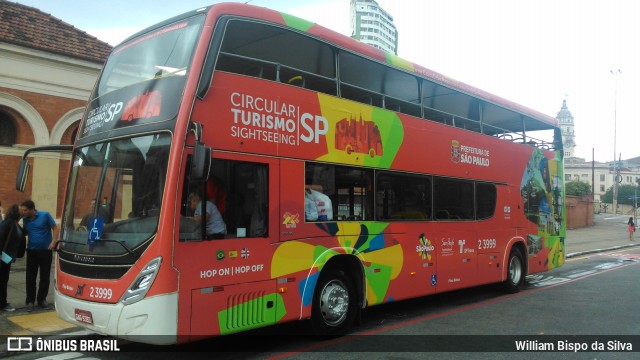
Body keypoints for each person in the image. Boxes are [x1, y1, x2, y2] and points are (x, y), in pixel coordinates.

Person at [20, 200, 57, 311]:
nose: (23, 212)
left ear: (32, 209)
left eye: (25, 210)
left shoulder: (45, 215)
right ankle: (30, 301)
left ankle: (42, 300)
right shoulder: (25, 219)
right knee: (30, 277)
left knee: (44, 277)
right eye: (22, 210)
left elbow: (55, 227)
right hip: (31, 251)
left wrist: (53, 242)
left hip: (45, 251)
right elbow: (25, 232)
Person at [0, 205, 26, 312]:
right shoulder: (8, 223)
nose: (22, 212)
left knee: (4, 279)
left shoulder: (14, 223)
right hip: (3, 256)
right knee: (2, 280)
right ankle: (2, 304)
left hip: (7, 257)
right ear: (15, 212)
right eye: (21, 211)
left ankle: (2, 302)